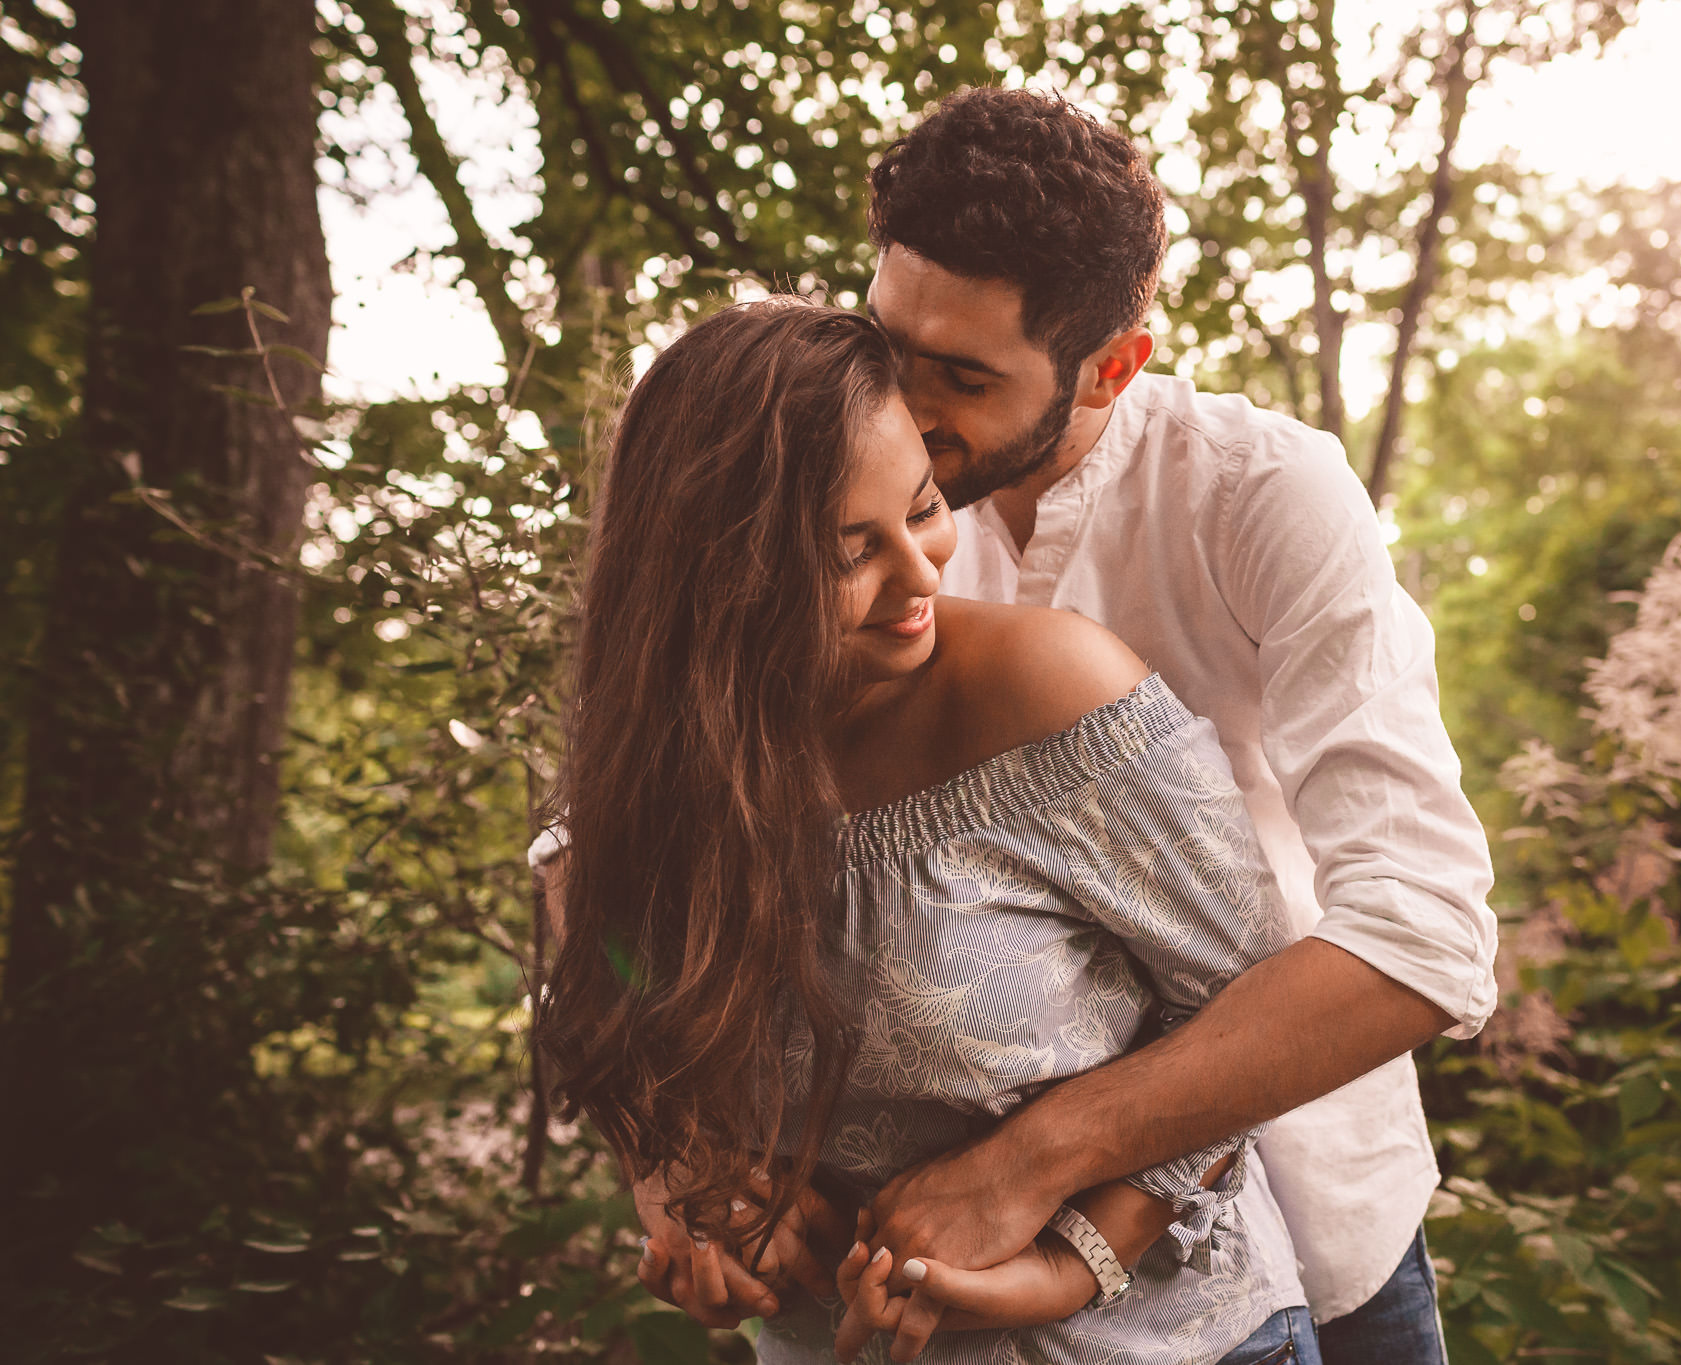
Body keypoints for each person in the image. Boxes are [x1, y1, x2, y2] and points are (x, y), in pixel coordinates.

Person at [627, 88, 1499, 1365]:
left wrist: (1034, 1161)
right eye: (891, 339)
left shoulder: (1263, 496)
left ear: (1111, 364)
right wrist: (676, 1155)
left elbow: (1422, 930)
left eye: (964, 376)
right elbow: (604, 847)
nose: (906, 407)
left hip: (1310, 1228)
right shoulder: (834, 496)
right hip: (934, 1307)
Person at [535, 296, 1325, 1365]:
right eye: (847, 552)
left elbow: (1251, 1012)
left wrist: (1078, 1254)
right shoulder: (628, 812)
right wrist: (682, 1196)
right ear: (715, 584)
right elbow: (622, 1021)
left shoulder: (1049, 693)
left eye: (921, 510)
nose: (919, 578)